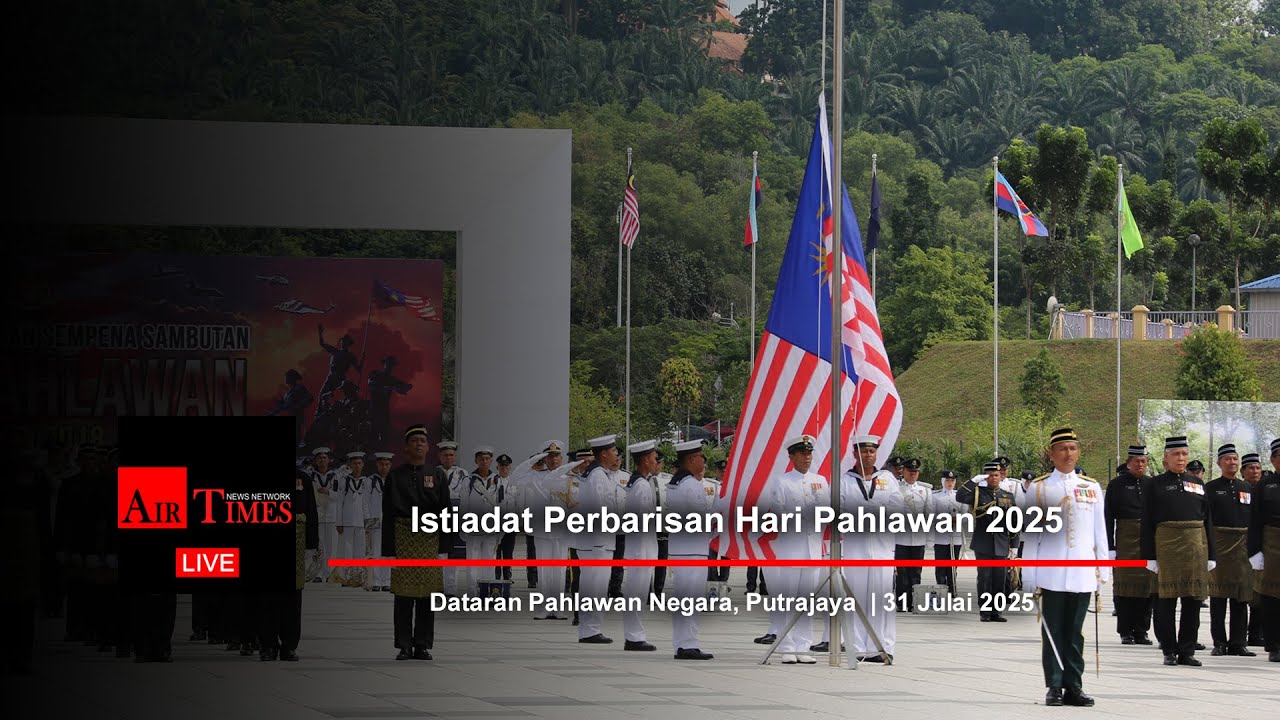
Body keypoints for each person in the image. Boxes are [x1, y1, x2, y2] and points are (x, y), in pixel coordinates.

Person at [1018, 427, 1107, 707]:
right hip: (1051, 572)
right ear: (1052, 454)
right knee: (1053, 630)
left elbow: (1100, 532)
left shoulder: (1091, 487)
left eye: (1073, 448)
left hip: (1082, 572)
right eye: (1063, 449)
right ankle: (1054, 686)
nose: (1068, 454)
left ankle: (1074, 686)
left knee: (1075, 632)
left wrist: (1103, 569)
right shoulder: (1040, 488)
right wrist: (1029, 573)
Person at [1142, 435, 1216, 666]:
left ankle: (1187, 650)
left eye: (1184, 454)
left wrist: (1211, 554)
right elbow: (1146, 522)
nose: (1181, 458)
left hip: (1195, 547)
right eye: (1176, 454)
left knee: (1193, 601)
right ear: (1166, 458)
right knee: (1166, 601)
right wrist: (1149, 556)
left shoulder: (1197, 483)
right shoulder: (1154, 484)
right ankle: (1169, 649)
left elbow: (1207, 519)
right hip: (1167, 547)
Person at [758, 435, 828, 665]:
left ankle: (803, 646)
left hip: (813, 548)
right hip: (791, 547)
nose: (807, 458)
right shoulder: (782, 481)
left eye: (809, 453)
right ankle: (786, 646)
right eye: (802, 454)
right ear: (792, 457)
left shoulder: (820, 481)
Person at [383, 424, 447, 660]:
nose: (419, 444)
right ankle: (404, 645)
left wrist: (444, 548)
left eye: (422, 441)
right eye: (414, 441)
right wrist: (389, 550)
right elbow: (388, 513)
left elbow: (445, 511)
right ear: (406, 447)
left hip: (430, 539)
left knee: (427, 596)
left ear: (428, 447)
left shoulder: (437, 475)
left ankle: (422, 644)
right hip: (404, 538)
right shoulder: (395, 476)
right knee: (403, 595)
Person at [838, 435, 903, 662]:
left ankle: (882, 647)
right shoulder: (845, 480)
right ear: (855, 454)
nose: (868, 455)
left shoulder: (887, 478)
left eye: (872, 451)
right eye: (864, 451)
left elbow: (898, 508)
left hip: (882, 548)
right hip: (855, 548)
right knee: (856, 597)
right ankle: (857, 647)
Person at [259, 468, 319, 661]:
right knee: (267, 597)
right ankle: (268, 645)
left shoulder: (302, 478)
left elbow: (311, 510)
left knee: (292, 597)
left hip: (296, 542)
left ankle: (289, 646)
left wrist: (312, 543)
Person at [666, 440, 715, 660]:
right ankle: (688, 644)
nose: (704, 460)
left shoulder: (677, 483)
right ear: (692, 459)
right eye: (701, 456)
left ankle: (683, 643)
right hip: (693, 549)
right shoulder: (691, 485)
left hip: (683, 548)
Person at [1205, 444, 1256, 656]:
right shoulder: (1210, 488)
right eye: (1227, 459)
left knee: (1241, 596)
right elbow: (1206, 519)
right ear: (1219, 463)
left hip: (1242, 548)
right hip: (1219, 545)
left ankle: (1238, 643)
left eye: (1235, 459)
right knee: (1218, 596)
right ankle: (1219, 642)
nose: (1232, 462)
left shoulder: (1247, 488)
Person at [575, 435, 623, 644]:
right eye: (613, 451)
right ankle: (590, 630)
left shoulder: (596, 474)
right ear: (603, 454)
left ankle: (588, 629)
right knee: (596, 586)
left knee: (592, 585)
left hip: (594, 540)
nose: (616, 454)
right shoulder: (597, 476)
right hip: (598, 541)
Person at [1105, 445, 1155, 645]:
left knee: (1147, 587)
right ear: (1128, 463)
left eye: (1144, 461)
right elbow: (1108, 517)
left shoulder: (1152, 484)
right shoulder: (1116, 485)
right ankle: (1125, 630)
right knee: (1124, 587)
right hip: (1125, 538)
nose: (1140, 464)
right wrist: (1109, 546)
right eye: (1137, 461)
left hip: (1148, 539)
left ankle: (1142, 630)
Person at [957, 461, 1015, 622]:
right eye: (990, 475)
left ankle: (997, 612)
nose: (994, 478)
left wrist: (1014, 546)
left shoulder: (1008, 496)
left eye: (996, 475)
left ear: (1001, 477)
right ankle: (985, 611)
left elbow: (1014, 522)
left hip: (1001, 543)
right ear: (985, 477)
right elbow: (959, 496)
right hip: (983, 543)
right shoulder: (977, 493)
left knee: (999, 579)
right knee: (984, 578)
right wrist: (973, 481)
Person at [621, 440, 660, 652]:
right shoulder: (642, 486)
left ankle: (635, 635)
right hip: (642, 548)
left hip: (640, 548)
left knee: (637, 593)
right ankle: (634, 637)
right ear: (645, 459)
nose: (656, 462)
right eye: (654, 458)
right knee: (636, 594)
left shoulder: (637, 482)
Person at [1247, 439, 1280, 662]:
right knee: (1271, 596)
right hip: (1272, 541)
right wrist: (1255, 551)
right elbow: (1254, 520)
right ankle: (1274, 645)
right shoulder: (1265, 485)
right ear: (1273, 459)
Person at [459, 446, 500, 596]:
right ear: (476, 460)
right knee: (472, 561)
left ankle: (486, 592)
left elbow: (500, 504)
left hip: (491, 527)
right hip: (473, 527)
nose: (484, 461)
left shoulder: (497, 480)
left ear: (491, 461)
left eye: (487, 458)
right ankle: (472, 593)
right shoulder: (468, 480)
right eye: (481, 459)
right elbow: (463, 505)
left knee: (489, 560)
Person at [894, 457, 932, 612]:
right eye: (910, 471)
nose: (913, 474)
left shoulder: (925, 491)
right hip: (901, 537)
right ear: (903, 471)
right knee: (901, 572)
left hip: (918, 538)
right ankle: (901, 603)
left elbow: (929, 514)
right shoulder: (896, 489)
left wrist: (929, 538)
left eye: (915, 471)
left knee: (916, 572)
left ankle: (914, 602)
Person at [336, 451, 368, 588]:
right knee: (347, 550)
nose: (357, 466)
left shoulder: (367, 481)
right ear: (350, 465)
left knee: (360, 550)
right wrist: (339, 522)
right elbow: (339, 502)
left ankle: (358, 576)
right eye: (354, 463)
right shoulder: (344, 480)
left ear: (363, 464)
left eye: (359, 463)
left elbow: (367, 503)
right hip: (347, 520)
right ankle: (347, 577)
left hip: (361, 520)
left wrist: (368, 521)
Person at [364, 452, 393, 591]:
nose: (384, 467)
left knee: (388, 552)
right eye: (381, 464)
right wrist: (368, 520)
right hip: (375, 519)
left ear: (390, 465)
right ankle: (376, 581)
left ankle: (386, 581)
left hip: (390, 520)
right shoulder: (370, 481)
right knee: (375, 551)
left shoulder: (394, 480)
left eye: (387, 464)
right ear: (377, 464)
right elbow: (365, 502)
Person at [931, 470, 963, 596]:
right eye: (948, 480)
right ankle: (941, 590)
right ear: (943, 481)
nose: (950, 483)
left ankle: (952, 588)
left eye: (952, 481)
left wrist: (957, 520)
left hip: (955, 537)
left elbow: (966, 515)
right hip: (941, 537)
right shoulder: (935, 496)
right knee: (940, 566)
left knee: (953, 565)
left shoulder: (960, 496)